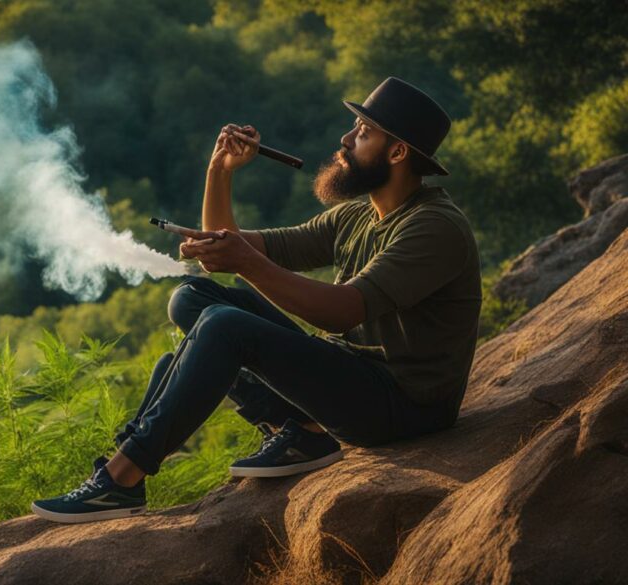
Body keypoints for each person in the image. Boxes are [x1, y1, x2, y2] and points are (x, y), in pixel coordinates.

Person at [31, 77, 482, 524]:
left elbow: (346, 309)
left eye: (363, 132)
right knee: (191, 298)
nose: (345, 140)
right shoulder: (357, 217)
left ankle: (122, 477)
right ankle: (305, 431)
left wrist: (243, 261)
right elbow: (223, 250)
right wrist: (220, 172)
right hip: (350, 382)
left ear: (397, 152)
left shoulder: (434, 226)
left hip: (402, 406)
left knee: (224, 327)